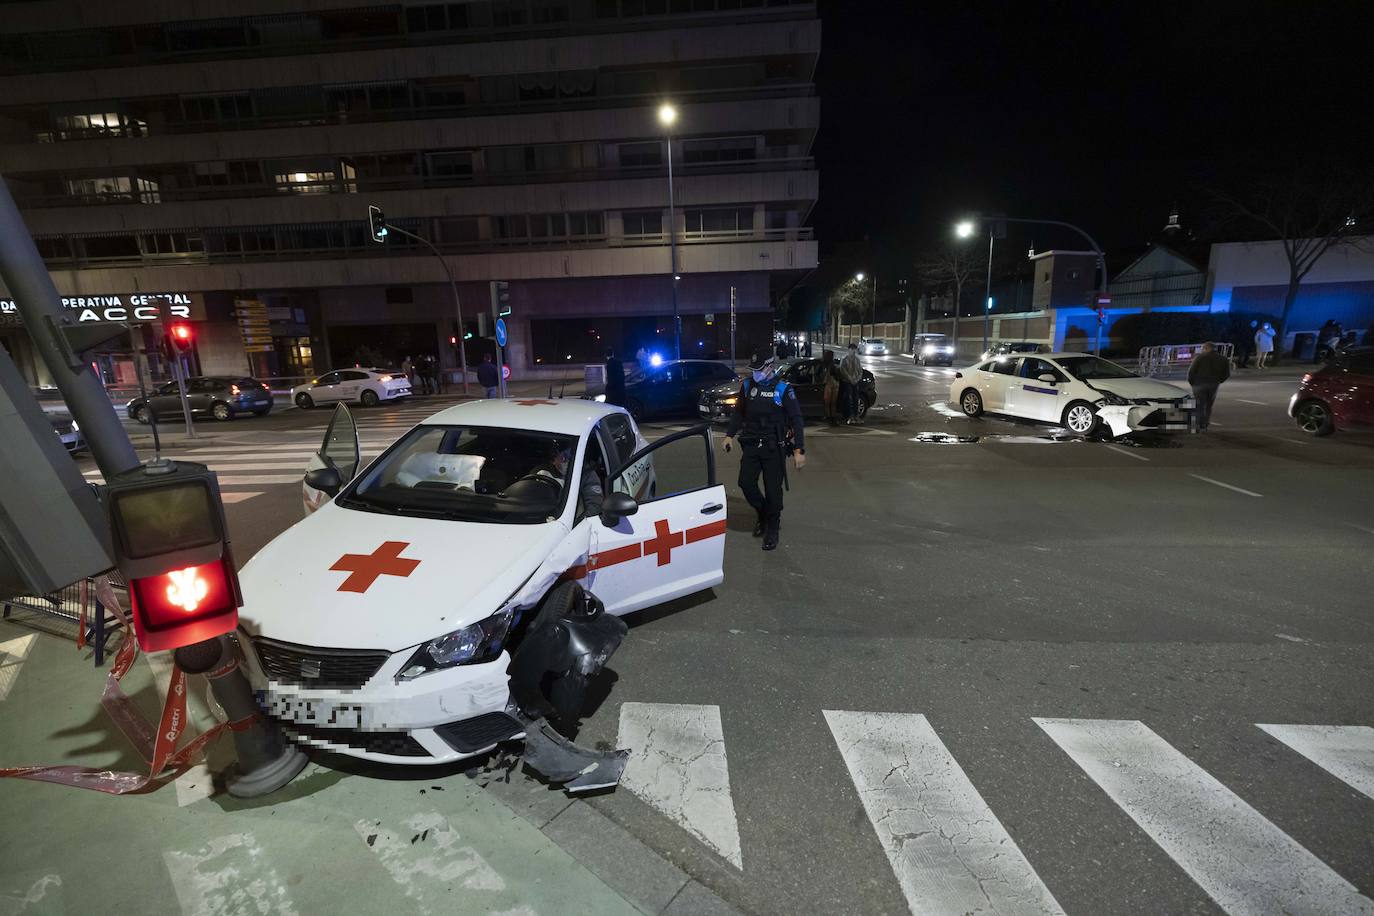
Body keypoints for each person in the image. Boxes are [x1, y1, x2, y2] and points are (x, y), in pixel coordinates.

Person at [722, 349, 805, 551]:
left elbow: (796, 419)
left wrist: (799, 449)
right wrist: (729, 435)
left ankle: (772, 528)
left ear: (769, 367)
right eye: (753, 369)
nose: (755, 373)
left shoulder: (783, 389)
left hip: (773, 447)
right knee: (745, 483)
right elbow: (738, 413)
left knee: (773, 490)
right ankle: (762, 513)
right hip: (751, 443)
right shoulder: (748, 385)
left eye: (759, 369)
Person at [1187, 341, 1231, 431]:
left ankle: (1198, 424)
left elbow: (1191, 372)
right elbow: (1227, 374)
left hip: (1199, 384)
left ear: (1206, 348)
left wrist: (1192, 383)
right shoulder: (1223, 359)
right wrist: (1219, 381)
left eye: (1203, 349)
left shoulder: (1199, 358)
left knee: (1199, 405)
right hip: (1213, 384)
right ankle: (1205, 424)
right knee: (1208, 405)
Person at [839, 342, 863, 423]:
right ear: (848, 350)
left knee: (856, 399)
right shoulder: (844, 359)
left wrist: (857, 379)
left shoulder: (857, 360)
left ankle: (856, 416)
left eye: (854, 349)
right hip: (847, 382)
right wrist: (850, 379)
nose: (853, 351)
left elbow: (860, 371)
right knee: (848, 399)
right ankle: (849, 416)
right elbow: (843, 371)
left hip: (856, 382)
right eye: (852, 349)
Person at [820, 349, 841, 426]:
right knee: (831, 403)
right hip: (831, 383)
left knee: (830, 403)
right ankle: (831, 418)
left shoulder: (828, 364)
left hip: (830, 384)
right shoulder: (827, 364)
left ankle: (831, 418)